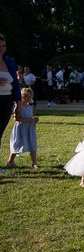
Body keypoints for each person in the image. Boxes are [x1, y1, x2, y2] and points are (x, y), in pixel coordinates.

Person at [0, 34, 22, 176]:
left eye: (3, 46)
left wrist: (18, 103)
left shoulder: (9, 61)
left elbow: (14, 83)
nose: (1, 48)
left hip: (7, 101)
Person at [7, 88, 38, 169]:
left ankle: (34, 162)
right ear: (21, 97)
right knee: (16, 144)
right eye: (26, 96)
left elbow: (30, 116)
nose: (29, 98)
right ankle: (10, 161)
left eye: (30, 97)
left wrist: (34, 119)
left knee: (32, 144)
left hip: (29, 129)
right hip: (20, 129)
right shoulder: (18, 107)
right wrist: (30, 120)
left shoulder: (30, 107)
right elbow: (17, 119)